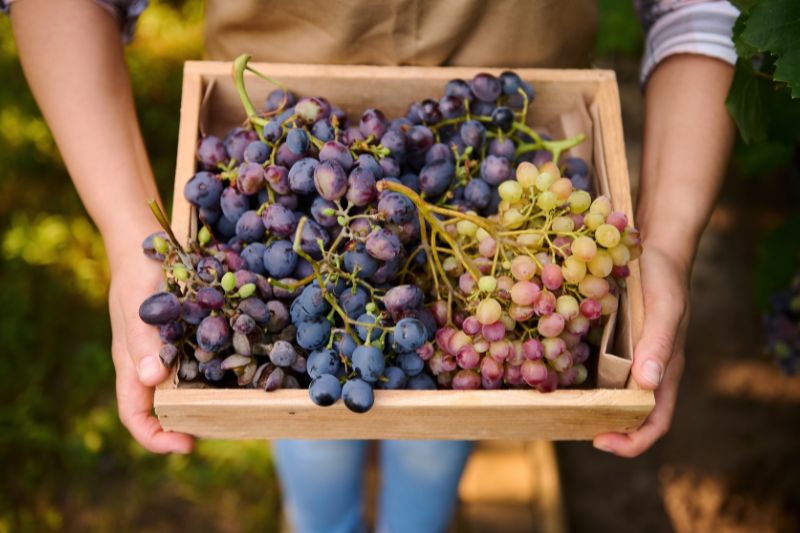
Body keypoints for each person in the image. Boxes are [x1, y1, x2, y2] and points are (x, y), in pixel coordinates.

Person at [7, 0, 739, 531]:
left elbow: (698, 10)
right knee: (308, 422)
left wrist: (666, 245)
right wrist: (126, 227)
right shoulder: (283, 227)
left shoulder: (460, 276)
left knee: (438, 429)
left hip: (486, 191)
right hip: (280, 170)